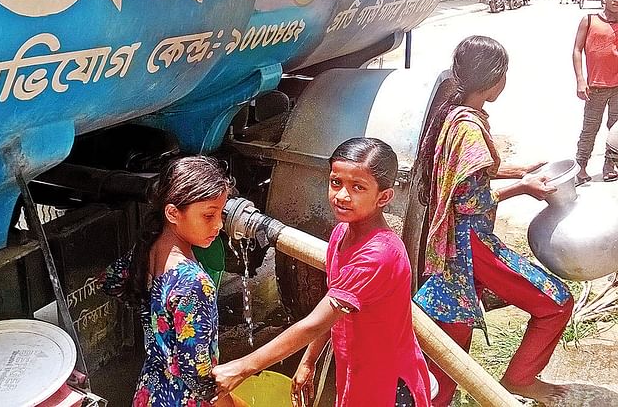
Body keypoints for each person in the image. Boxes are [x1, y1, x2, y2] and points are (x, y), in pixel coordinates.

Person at [413, 35, 574, 407]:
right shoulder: (469, 127)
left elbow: (465, 173)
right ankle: (520, 378)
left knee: (447, 358)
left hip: (448, 246)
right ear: (494, 80)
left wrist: (519, 169)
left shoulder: (453, 115)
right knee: (556, 303)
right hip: (470, 246)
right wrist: (523, 187)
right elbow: (469, 199)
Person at [212, 138, 431, 407]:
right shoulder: (342, 233)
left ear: (384, 197)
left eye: (358, 187)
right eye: (336, 182)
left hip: (388, 383)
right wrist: (309, 360)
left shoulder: (379, 255)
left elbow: (314, 323)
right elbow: (330, 310)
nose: (341, 196)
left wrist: (243, 367)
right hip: (357, 371)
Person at [102, 156, 235, 406]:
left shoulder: (146, 250)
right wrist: (230, 403)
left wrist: (152, 311)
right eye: (209, 215)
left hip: (151, 390)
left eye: (221, 214)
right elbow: (196, 374)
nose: (218, 225)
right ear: (173, 213)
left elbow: (110, 281)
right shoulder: (194, 283)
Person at [572, 0, 618, 184]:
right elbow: (577, 50)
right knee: (590, 128)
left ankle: (610, 164)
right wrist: (581, 80)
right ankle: (580, 167)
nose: (616, 0)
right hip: (596, 87)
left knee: (616, 129)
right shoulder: (589, 20)